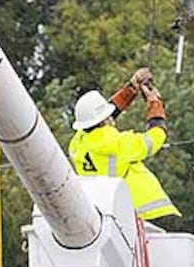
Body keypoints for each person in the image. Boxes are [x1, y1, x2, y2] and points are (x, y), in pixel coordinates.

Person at [69, 67, 180, 223]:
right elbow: (156, 137)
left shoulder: (77, 144)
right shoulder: (117, 143)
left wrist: (131, 87)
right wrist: (155, 103)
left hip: (113, 215)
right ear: (103, 120)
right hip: (150, 213)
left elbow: (106, 114)